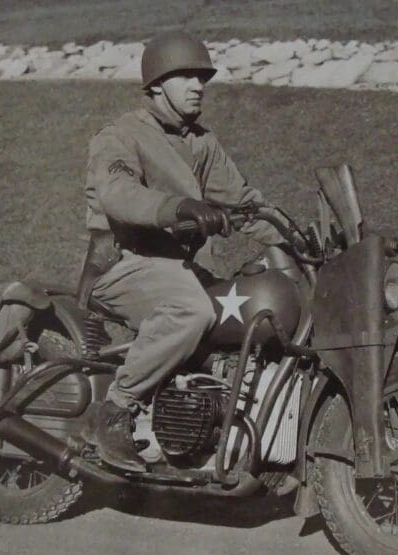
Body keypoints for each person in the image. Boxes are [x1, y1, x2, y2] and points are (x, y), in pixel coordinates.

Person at [83, 31, 282, 471]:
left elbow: (243, 202)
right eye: (186, 76)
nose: (198, 85)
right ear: (156, 84)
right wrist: (178, 207)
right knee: (191, 311)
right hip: (125, 263)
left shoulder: (199, 142)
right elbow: (117, 194)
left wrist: (294, 239)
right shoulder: (121, 136)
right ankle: (115, 409)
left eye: (202, 77)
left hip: (178, 269)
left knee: (246, 310)